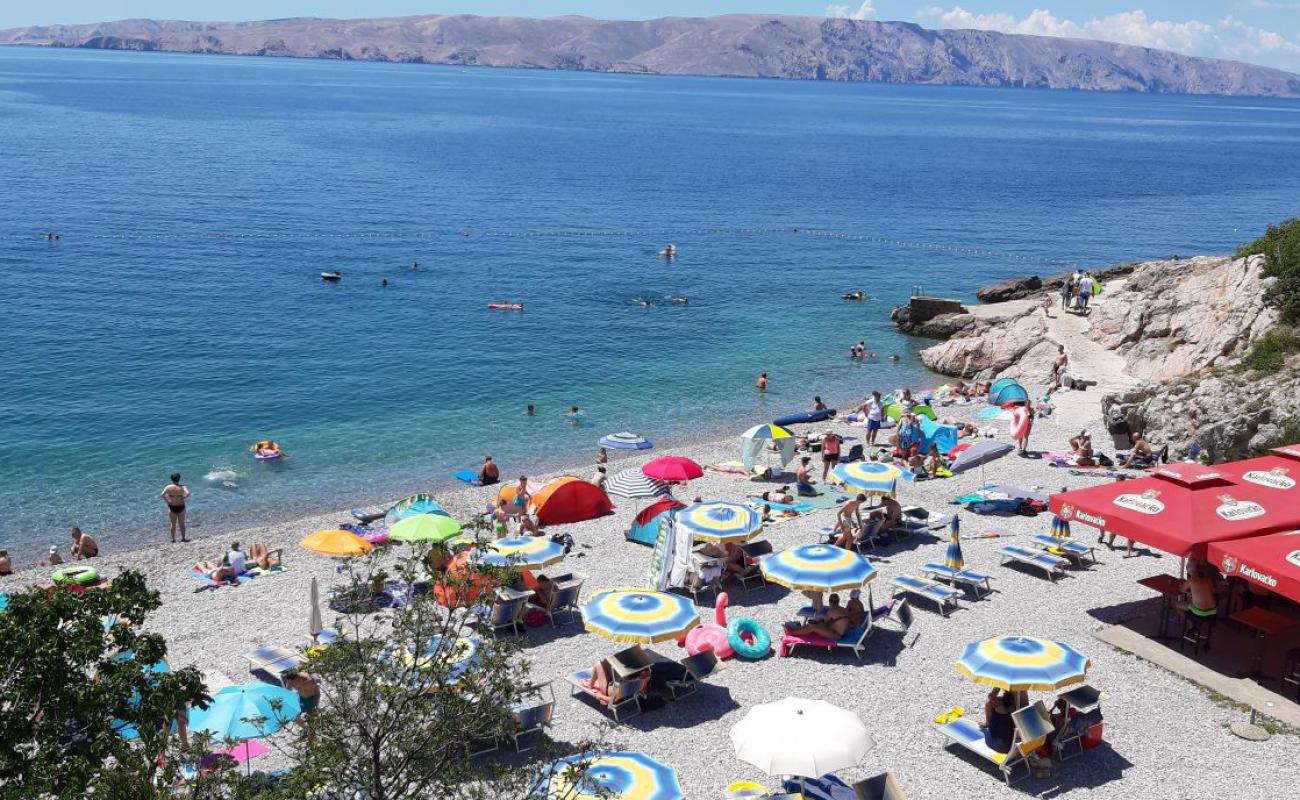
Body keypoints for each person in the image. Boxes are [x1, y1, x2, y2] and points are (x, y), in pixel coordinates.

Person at [784, 594, 850, 640]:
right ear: (838, 601)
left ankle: (792, 632)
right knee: (813, 625)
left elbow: (824, 624)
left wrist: (816, 623)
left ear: (830, 601)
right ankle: (797, 630)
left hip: (836, 635)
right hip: (841, 632)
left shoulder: (831, 611)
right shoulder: (843, 609)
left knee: (812, 627)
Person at [983, 689, 1017, 753]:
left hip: (999, 746)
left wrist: (997, 688)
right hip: (1012, 746)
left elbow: (990, 698)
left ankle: (986, 726)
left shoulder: (997, 709)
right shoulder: (1016, 713)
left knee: (985, 732)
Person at [161, 473, 190, 543]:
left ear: (171, 479)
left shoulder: (168, 487)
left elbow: (162, 495)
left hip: (172, 507)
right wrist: (183, 497)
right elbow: (188, 493)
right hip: (181, 506)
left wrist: (167, 501)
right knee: (182, 523)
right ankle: (183, 538)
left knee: (173, 523)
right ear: (179, 479)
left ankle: (173, 539)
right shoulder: (183, 487)